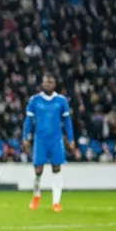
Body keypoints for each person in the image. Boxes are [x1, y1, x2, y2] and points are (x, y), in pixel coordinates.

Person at [21, 74, 76, 212]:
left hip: (56, 140)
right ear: (42, 83)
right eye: (47, 82)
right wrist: (25, 137)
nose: (49, 84)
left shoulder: (61, 101)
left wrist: (71, 139)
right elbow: (28, 121)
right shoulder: (35, 100)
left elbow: (67, 122)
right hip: (40, 140)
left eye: (51, 82)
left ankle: (56, 202)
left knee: (56, 168)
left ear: (55, 84)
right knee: (38, 170)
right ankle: (36, 195)